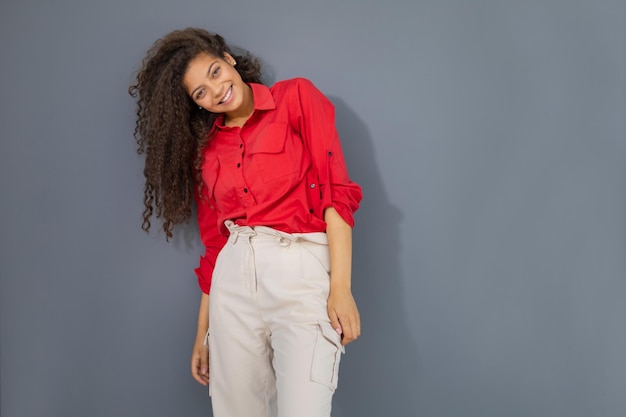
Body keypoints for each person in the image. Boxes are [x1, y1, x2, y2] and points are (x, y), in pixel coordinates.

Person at [129, 28, 362, 417]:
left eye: (215, 72)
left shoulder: (297, 98)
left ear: (229, 59)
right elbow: (215, 247)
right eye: (200, 92)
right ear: (196, 105)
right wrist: (204, 334)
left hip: (299, 274)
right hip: (232, 286)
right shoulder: (206, 155)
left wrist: (341, 287)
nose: (216, 90)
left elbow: (336, 194)